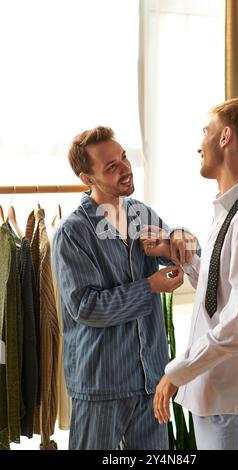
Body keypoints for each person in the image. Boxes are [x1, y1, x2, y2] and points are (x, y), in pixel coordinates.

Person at [147, 97, 238, 450]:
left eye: (205, 132)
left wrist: (175, 372)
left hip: (232, 401)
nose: (200, 144)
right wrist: (182, 257)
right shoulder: (234, 210)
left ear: (225, 136)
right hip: (218, 398)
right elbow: (220, 290)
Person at [52, 125, 198, 450]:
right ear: (86, 178)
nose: (126, 169)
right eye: (111, 166)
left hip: (151, 382)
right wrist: (149, 287)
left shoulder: (140, 214)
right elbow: (86, 307)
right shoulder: (72, 234)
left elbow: (193, 252)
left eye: (124, 157)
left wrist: (179, 237)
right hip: (101, 385)